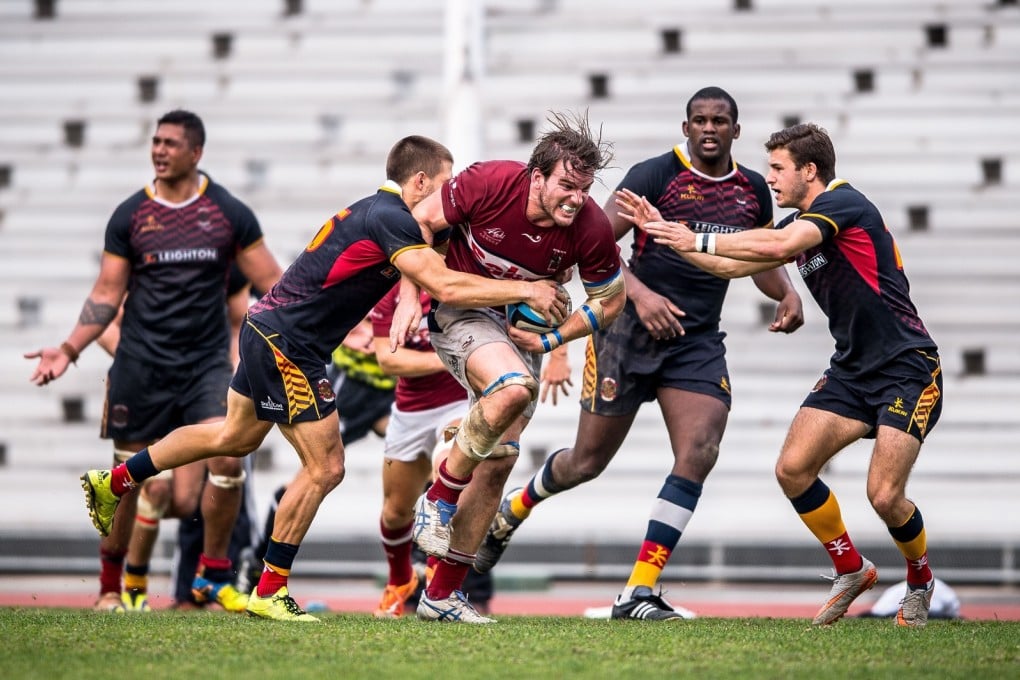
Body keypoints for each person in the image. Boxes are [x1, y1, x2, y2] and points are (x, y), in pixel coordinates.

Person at [75, 135, 568, 622]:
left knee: (232, 437)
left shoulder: (377, 212)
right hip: (289, 344)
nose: (451, 193)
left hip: (269, 330)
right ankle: (269, 589)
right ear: (419, 182)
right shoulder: (392, 218)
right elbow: (443, 281)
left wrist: (417, 294)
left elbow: (438, 255)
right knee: (326, 467)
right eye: (445, 182)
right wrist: (528, 290)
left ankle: (114, 481)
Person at [473, 87, 805, 620]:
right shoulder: (654, 176)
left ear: (736, 130)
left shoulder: (751, 191)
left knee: (700, 450)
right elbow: (594, 246)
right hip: (625, 333)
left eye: (720, 120)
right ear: (686, 128)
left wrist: (786, 291)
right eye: (700, 120)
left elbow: (758, 256)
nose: (710, 128)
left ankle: (639, 590)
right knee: (586, 462)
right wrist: (643, 297)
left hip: (695, 340)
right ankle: (516, 506)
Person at [638, 122, 943, 627]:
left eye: (779, 168)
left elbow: (777, 246)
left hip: (907, 367)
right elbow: (733, 266)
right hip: (852, 370)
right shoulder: (800, 223)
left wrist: (697, 237)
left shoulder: (844, 204)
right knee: (793, 469)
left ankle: (920, 580)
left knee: (884, 495)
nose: (771, 178)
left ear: (810, 170)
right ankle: (851, 568)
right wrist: (670, 236)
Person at [25, 109, 283, 613]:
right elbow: (106, 294)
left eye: (170, 143)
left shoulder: (228, 213)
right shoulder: (130, 216)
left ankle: (212, 576)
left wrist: (327, 320)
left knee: (228, 457)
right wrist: (70, 348)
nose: (159, 150)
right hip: (141, 366)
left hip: (206, 365)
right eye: (156, 141)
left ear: (196, 152)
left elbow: (272, 282)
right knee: (129, 479)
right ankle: (111, 588)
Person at [408, 110, 627, 624]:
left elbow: (611, 300)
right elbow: (419, 219)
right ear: (537, 176)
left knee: (499, 461)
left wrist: (554, 339)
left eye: (585, 189)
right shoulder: (490, 182)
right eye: (567, 186)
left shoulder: (590, 227)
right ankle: (436, 500)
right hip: (460, 310)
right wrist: (406, 296)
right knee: (512, 388)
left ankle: (441, 597)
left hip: (518, 331)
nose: (577, 199)